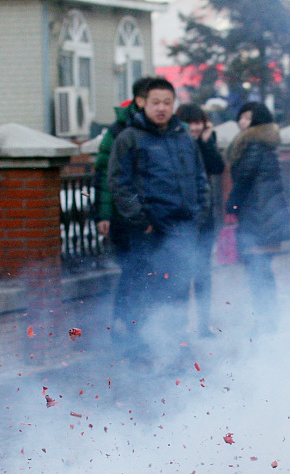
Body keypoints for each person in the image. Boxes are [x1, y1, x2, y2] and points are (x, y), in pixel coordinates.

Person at [107, 77, 209, 369]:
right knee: (146, 290)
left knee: (179, 289)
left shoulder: (183, 138)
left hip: (183, 229)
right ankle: (140, 351)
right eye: (156, 102)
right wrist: (141, 220)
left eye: (167, 102)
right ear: (143, 104)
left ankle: (176, 348)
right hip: (149, 231)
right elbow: (119, 184)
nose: (161, 108)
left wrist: (199, 212)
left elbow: (200, 179)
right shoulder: (129, 138)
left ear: (174, 104)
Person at [225, 102, 290, 334]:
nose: (242, 122)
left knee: (258, 271)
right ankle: (268, 319)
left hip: (258, 216)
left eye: (248, 117)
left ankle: (265, 322)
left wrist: (232, 205)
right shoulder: (264, 144)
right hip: (266, 214)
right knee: (262, 270)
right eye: (241, 117)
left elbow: (243, 180)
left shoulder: (252, 144)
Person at [94, 77, 154, 345]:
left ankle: (144, 327)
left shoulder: (165, 130)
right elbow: (107, 175)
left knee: (151, 271)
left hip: (156, 215)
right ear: (140, 101)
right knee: (134, 271)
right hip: (126, 216)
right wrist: (103, 214)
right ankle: (126, 326)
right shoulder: (119, 131)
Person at [175, 102, 225, 336]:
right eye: (190, 123)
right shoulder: (174, 144)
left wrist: (206, 142)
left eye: (199, 123)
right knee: (181, 276)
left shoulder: (205, 142)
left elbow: (217, 167)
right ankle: (180, 327)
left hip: (204, 218)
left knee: (203, 274)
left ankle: (203, 324)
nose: (194, 127)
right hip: (181, 219)